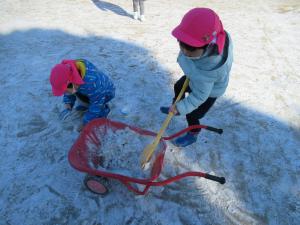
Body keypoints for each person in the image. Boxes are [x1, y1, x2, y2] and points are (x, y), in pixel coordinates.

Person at [160, 8, 233, 147]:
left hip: (208, 91)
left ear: (208, 45)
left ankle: (193, 133)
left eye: (191, 50)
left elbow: (199, 96)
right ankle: (174, 108)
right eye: (181, 45)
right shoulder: (217, 37)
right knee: (178, 86)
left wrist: (183, 107)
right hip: (197, 76)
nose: (185, 52)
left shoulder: (210, 70)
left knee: (192, 114)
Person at [49, 59, 115, 131]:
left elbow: (96, 104)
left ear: (74, 81)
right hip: (84, 87)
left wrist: (85, 123)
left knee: (96, 109)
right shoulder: (73, 70)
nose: (66, 92)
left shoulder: (93, 84)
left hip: (105, 93)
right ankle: (86, 107)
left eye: (66, 90)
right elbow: (69, 91)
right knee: (74, 92)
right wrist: (68, 103)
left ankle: (104, 110)